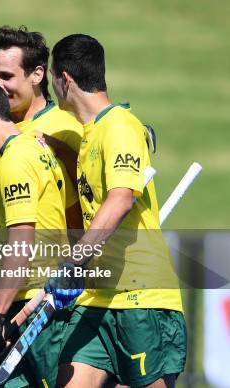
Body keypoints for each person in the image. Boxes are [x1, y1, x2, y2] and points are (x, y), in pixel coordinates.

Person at [50, 33, 186, 388]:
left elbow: (121, 199)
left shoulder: (121, 127)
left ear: (64, 78)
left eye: (52, 77)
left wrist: (74, 261)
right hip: (96, 299)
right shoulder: (90, 135)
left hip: (141, 299)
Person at [0, 26, 84, 388]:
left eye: (6, 76)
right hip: (8, 285)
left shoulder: (68, 129)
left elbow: (89, 203)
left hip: (49, 292)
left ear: (38, 74)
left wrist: (75, 266)